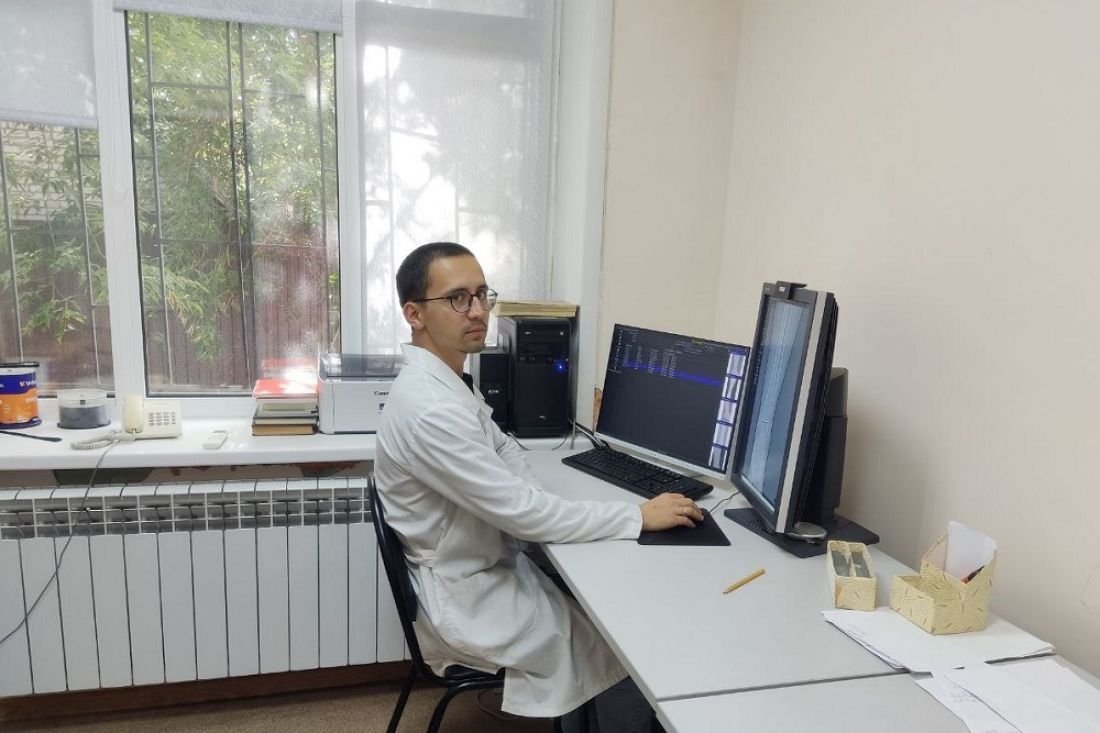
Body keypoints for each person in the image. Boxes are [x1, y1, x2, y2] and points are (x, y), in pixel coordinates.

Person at [374, 242, 705, 731]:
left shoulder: (448, 382)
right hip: (467, 593)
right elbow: (524, 516)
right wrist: (636, 515)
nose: (479, 311)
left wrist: (531, 502)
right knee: (622, 645)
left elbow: (505, 450)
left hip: (481, 564)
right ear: (414, 314)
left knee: (600, 605)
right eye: (459, 298)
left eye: (482, 294)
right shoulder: (430, 410)